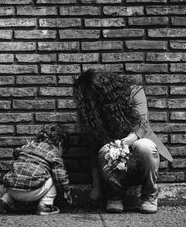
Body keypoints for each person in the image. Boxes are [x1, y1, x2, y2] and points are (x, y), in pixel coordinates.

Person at [73, 69, 173, 214]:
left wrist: (123, 143)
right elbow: (93, 146)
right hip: (114, 166)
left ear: (103, 91)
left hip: (139, 157)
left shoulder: (135, 92)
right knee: (105, 149)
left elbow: (141, 126)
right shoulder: (93, 111)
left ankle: (149, 194)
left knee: (144, 145)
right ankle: (115, 195)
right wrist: (96, 185)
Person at [0, 125, 73, 215]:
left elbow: (16, 152)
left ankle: (5, 201)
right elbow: (60, 178)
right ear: (60, 144)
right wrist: (66, 193)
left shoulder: (28, 146)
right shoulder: (54, 154)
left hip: (11, 189)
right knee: (54, 177)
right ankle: (45, 206)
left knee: (17, 175)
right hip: (33, 191)